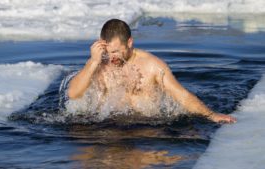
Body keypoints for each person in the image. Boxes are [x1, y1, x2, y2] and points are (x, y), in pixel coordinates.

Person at [67, 18, 236, 124]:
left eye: (117, 51)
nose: (112, 57)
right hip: (109, 126)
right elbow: (73, 94)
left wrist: (210, 115)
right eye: (108, 52)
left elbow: (181, 95)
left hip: (148, 127)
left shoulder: (152, 65)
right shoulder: (98, 62)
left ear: (130, 42)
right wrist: (93, 62)